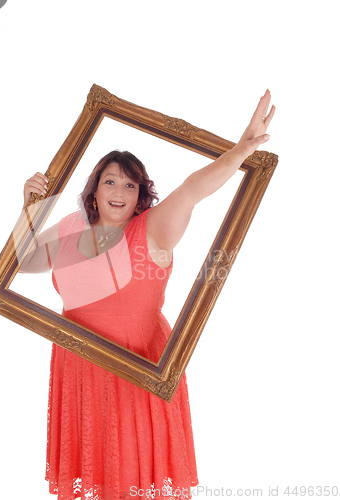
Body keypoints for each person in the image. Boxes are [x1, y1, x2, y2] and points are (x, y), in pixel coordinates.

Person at [20, 91, 275, 500]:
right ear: (95, 189)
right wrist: (30, 206)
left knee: (134, 471)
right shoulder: (71, 227)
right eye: (109, 181)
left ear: (140, 193)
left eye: (130, 183)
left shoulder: (153, 229)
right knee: (93, 469)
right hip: (78, 366)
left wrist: (239, 151)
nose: (119, 190)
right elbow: (25, 260)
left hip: (138, 364)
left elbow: (194, 189)